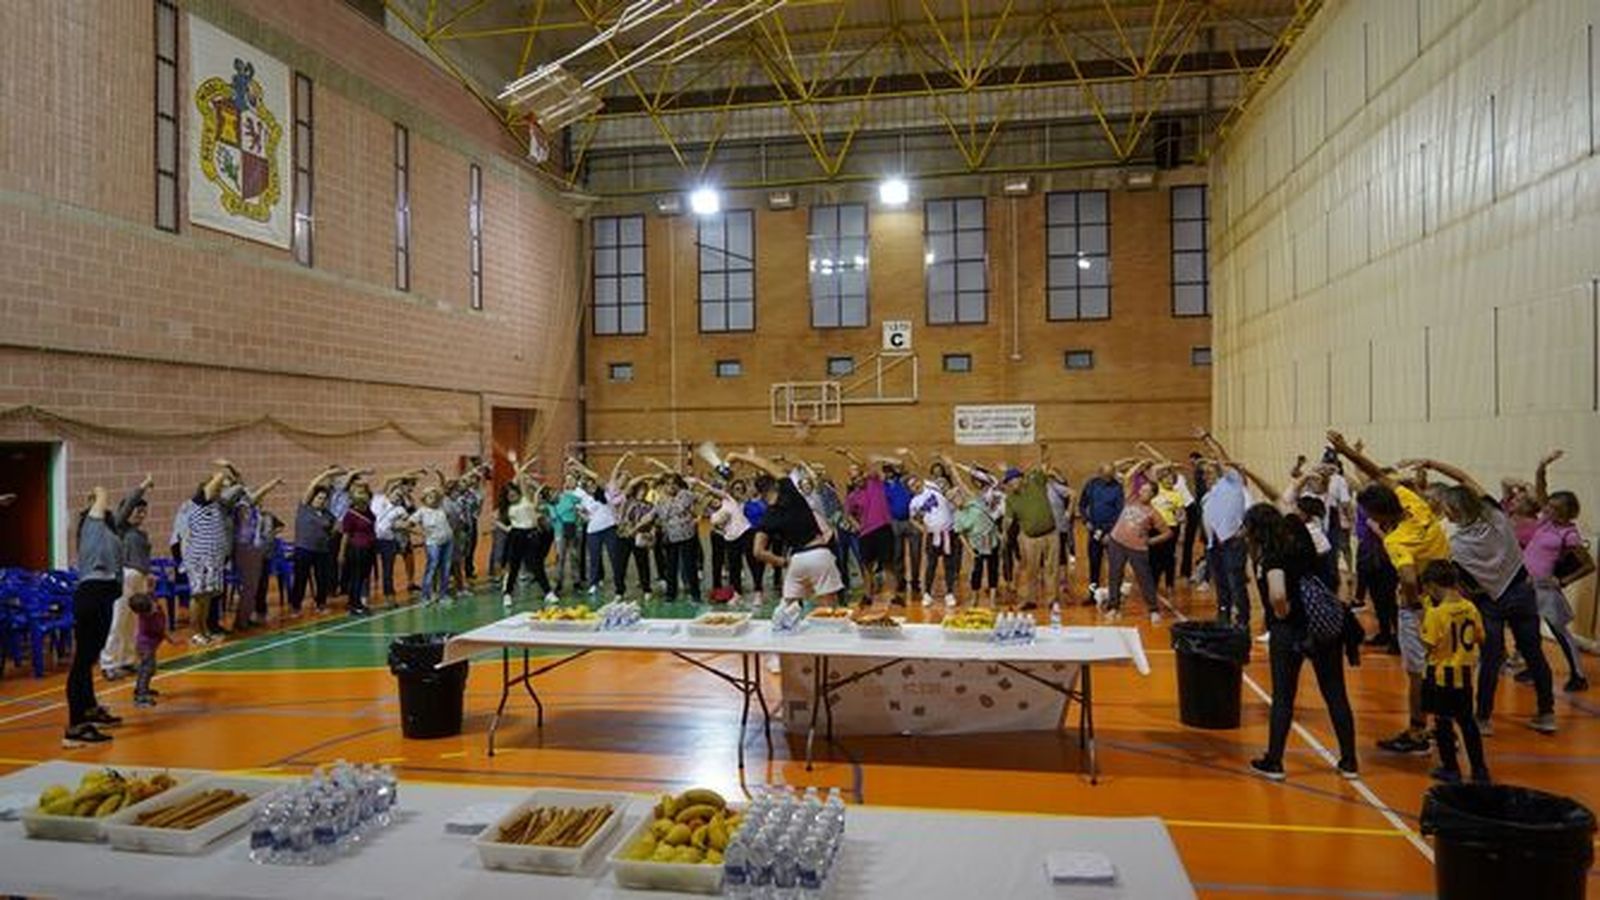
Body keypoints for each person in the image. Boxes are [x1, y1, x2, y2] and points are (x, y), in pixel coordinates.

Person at [1401, 455, 1559, 734]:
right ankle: (1547, 713)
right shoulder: (1495, 514)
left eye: (1447, 508)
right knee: (1534, 654)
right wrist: (1432, 463)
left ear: (1453, 510)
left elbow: (1462, 583)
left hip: (1491, 601)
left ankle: (1483, 718)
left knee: (1490, 659)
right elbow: (1463, 477)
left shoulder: (1456, 544)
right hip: (1522, 590)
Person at [1328, 432, 1452, 754]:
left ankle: (1416, 731)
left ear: (1378, 515)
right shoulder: (1416, 505)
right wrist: (1346, 452)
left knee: (1417, 673)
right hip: (1449, 600)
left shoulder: (1396, 541)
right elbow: (1379, 475)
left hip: (1421, 607)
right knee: (1443, 667)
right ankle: (1444, 726)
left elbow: (1409, 577)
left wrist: (1411, 604)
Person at [1242, 503, 1359, 781]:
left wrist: (1282, 615)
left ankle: (1274, 761)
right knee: (1335, 693)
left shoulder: (1273, 557)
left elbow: (1278, 594)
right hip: (1323, 628)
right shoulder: (1305, 547)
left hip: (1289, 631)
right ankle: (1350, 760)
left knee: (1283, 696)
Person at [64, 482, 141, 747]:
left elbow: (122, 512)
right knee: (82, 662)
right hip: (92, 595)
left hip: (105, 596)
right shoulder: (91, 528)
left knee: (90, 659)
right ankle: (75, 726)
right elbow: (101, 502)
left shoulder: (109, 532)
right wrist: (98, 492)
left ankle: (89, 709)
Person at [730, 450, 843, 608]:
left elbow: (758, 551)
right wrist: (738, 455)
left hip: (796, 560)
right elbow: (768, 465)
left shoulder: (767, 517)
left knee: (788, 613)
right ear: (776, 485)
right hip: (819, 554)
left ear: (760, 494)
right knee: (830, 610)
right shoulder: (790, 492)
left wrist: (782, 562)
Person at [1418, 562, 1490, 784]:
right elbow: (1481, 637)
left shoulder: (1436, 613)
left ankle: (1451, 768)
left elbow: (1429, 644)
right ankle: (1479, 769)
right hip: (1465, 675)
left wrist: (1423, 620)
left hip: (1441, 675)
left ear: (1432, 586)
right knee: (1467, 722)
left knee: (1442, 722)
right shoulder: (1470, 607)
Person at [1101, 471, 1174, 623]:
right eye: (1142, 489)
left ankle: (1153, 610)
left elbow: (1167, 533)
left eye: (1146, 490)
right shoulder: (1131, 499)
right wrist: (1140, 465)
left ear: (1153, 495)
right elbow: (1127, 478)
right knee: (1115, 575)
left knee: (1144, 578)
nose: (1141, 492)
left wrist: (1151, 541)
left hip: (1137, 548)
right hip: (1117, 542)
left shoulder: (1153, 513)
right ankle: (1113, 607)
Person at [1197, 431, 1252, 629]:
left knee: (1235, 582)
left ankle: (1243, 619)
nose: (1205, 476)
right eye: (1204, 473)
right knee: (1220, 584)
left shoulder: (1232, 483)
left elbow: (1223, 459)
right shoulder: (1208, 495)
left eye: (1209, 472)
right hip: (1214, 544)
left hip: (1232, 542)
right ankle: (1223, 614)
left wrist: (1206, 439)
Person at [100, 480, 153, 680]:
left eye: (143, 511)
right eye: (136, 510)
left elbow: (143, 560)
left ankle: (128, 660)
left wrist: (148, 576)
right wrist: (143, 486)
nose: (140, 514)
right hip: (124, 576)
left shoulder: (141, 534)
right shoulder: (119, 528)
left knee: (132, 622)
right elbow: (129, 504)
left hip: (139, 577)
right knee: (118, 620)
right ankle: (109, 663)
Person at [837, 448, 896, 605]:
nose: (858, 479)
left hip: (883, 528)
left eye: (859, 475)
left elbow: (863, 464)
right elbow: (847, 514)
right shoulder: (852, 496)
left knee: (888, 565)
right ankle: (867, 596)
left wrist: (848, 454)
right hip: (865, 533)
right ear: (852, 481)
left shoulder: (874, 483)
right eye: (854, 478)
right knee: (866, 567)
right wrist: (857, 525)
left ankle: (893, 595)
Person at [1005, 448, 1060, 610]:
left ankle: (1052, 600)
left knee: (1052, 568)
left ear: (1020, 479)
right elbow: (1008, 519)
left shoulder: (1036, 482)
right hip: (1030, 537)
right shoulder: (1010, 499)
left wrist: (1044, 448)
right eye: (1008, 483)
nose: (1010, 484)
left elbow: (1045, 464)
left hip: (1051, 533)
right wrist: (1005, 534)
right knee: (1029, 570)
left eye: (1012, 480)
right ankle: (1028, 600)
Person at [569, 453, 629, 599]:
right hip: (592, 531)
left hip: (609, 528)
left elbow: (595, 476)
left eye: (592, 485)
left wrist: (578, 465)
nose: (591, 487)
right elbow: (586, 516)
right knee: (594, 559)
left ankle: (619, 589)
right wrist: (582, 514)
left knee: (615, 558)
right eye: (587, 486)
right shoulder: (583, 499)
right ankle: (593, 584)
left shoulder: (606, 494)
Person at [184, 469, 234, 644]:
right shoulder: (199, 503)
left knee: (206, 597)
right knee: (198, 596)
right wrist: (222, 471)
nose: (219, 492)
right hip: (200, 558)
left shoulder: (215, 506)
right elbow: (218, 479)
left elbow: (237, 486)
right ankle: (195, 633)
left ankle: (205, 630)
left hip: (213, 560)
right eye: (217, 489)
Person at [948, 457, 1001, 607]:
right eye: (952, 500)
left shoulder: (973, 500)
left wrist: (953, 466)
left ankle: (992, 599)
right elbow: (961, 535)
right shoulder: (957, 516)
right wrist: (970, 551)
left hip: (992, 539)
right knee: (977, 571)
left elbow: (961, 483)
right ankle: (975, 598)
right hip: (977, 544)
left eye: (956, 497)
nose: (955, 500)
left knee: (993, 568)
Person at [290, 468, 341, 616]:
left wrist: (333, 532)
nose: (321, 501)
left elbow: (333, 530)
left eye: (324, 499)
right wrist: (326, 475)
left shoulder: (328, 514)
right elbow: (312, 486)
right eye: (319, 498)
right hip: (303, 549)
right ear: (312, 498)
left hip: (322, 550)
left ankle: (321, 604)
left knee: (322, 579)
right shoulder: (305, 508)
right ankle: (296, 606)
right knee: (301, 578)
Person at [1078, 464, 1125, 602]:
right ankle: (1092, 594)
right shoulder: (1091, 485)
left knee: (1115, 566)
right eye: (1105, 475)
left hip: (1112, 533)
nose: (1108, 478)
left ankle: (1114, 596)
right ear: (1099, 473)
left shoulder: (1118, 488)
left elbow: (1120, 513)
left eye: (1110, 475)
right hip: (1094, 531)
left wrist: (1110, 533)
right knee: (1094, 565)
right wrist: (1086, 521)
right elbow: (1082, 505)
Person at [912, 475, 960, 608]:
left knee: (949, 565)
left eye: (916, 482)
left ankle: (950, 593)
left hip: (948, 533)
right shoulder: (914, 502)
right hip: (932, 535)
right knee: (931, 565)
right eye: (911, 486)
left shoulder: (936, 491)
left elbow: (920, 468)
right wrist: (923, 529)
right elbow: (913, 519)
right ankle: (927, 593)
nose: (915, 486)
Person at [130, 592, 175, 708]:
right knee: (146, 669)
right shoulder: (148, 620)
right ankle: (140, 695)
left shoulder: (155, 606)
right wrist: (169, 638)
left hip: (151, 646)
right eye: (150, 610)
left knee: (151, 669)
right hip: (146, 647)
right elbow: (159, 630)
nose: (153, 609)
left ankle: (143, 688)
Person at [411, 485, 454, 604]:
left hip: (447, 540)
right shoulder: (421, 511)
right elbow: (409, 524)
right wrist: (421, 533)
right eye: (430, 497)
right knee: (432, 566)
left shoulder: (441, 508)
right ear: (424, 499)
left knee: (446, 567)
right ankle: (426, 595)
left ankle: (443, 594)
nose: (433, 499)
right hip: (433, 542)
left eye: (435, 497)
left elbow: (443, 491)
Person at [340, 484, 377, 616]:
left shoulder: (368, 512)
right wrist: (341, 553)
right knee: (356, 577)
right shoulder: (350, 515)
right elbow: (345, 535)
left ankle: (359, 603)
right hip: (357, 549)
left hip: (369, 548)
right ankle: (353, 604)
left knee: (364, 577)